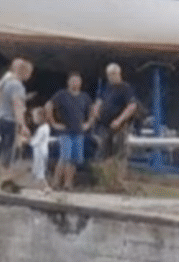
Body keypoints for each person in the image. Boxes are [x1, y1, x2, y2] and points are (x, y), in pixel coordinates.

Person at [92, 62, 138, 191]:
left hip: (120, 127)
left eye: (113, 74)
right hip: (105, 126)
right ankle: (105, 182)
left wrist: (119, 120)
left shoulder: (125, 88)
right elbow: (99, 100)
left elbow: (132, 106)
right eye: (109, 75)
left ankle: (119, 182)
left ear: (118, 73)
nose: (111, 77)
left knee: (120, 154)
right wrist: (96, 109)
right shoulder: (107, 87)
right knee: (103, 153)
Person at [45, 71, 93, 191]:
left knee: (74, 159)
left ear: (81, 83)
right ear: (68, 82)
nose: (75, 83)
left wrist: (88, 123)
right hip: (65, 131)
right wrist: (53, 123)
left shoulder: (84, 97)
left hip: (79, 132)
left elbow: (92, 111)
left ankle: (68, 184)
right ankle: (56, 183)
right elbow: (49, 106)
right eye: (73, 80)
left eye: (78, 80)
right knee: (64, 157)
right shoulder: (61, 94)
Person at [0, 58, 31, 193]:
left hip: (2, 118)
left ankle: (6, 180)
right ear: (25, 72)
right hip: (11, 120)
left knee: (5, 150)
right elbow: (18, 105)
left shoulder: (5, 83)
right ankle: (7, 181)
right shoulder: (17, 85)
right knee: (12, 151)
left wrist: (0, 112)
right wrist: (22, 125)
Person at [28, 107, 52, 190]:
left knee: (40, 172)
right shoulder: (44, 127)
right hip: (40, 152)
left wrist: (27, 139)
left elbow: (35, 142)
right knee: (38, 171)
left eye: (35, 117)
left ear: (41, 117)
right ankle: (40, 189)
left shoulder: (43, 128)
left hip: (40, 153)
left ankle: (46, 188)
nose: (34, 119)